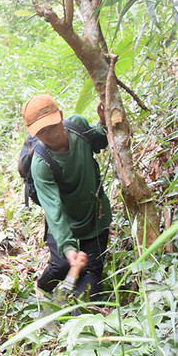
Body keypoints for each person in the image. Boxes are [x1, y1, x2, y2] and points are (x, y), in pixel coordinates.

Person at [22, 94, 111, 299]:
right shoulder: (41, 164)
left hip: (94, 215)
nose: (50, 135)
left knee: (90, 277)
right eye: (42, 131)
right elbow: (54, 211)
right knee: (61, 266)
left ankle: (80, 312)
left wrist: (105, 122)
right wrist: (69, 249)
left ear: (61, 116)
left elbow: (100, 140)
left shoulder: (78, 127)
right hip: (64, 220)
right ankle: (41, 289)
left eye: (52, 126)